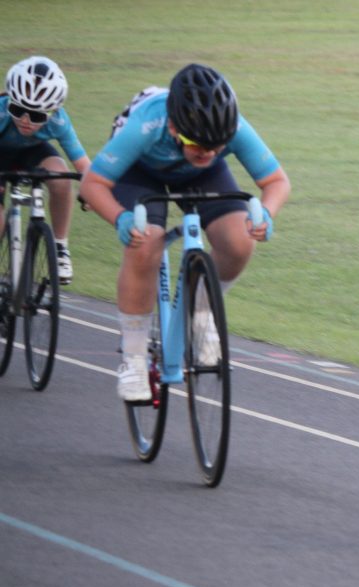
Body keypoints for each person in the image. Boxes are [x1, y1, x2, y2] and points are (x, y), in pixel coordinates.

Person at [80, 63, 290, 401]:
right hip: (140, 171)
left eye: (218, 145)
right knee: (144, 243)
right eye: (197, 143)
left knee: (239, 243)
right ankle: (133, 357)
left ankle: (201, 314)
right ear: (175, 127)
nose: (207, 152)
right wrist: (120, 218)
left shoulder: (228, 129)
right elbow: (93, 184)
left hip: (197, 177)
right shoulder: (147, 125)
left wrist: (265, 214)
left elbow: (276, 181)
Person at [1, 56, 91, 284]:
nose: (25, 120)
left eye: (37, 115)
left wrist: (92, 190)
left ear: (52, 112)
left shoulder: (60, 122)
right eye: (17, 109)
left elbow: (83, 165)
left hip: (33, 152)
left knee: (61, 178)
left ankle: (61, 248)